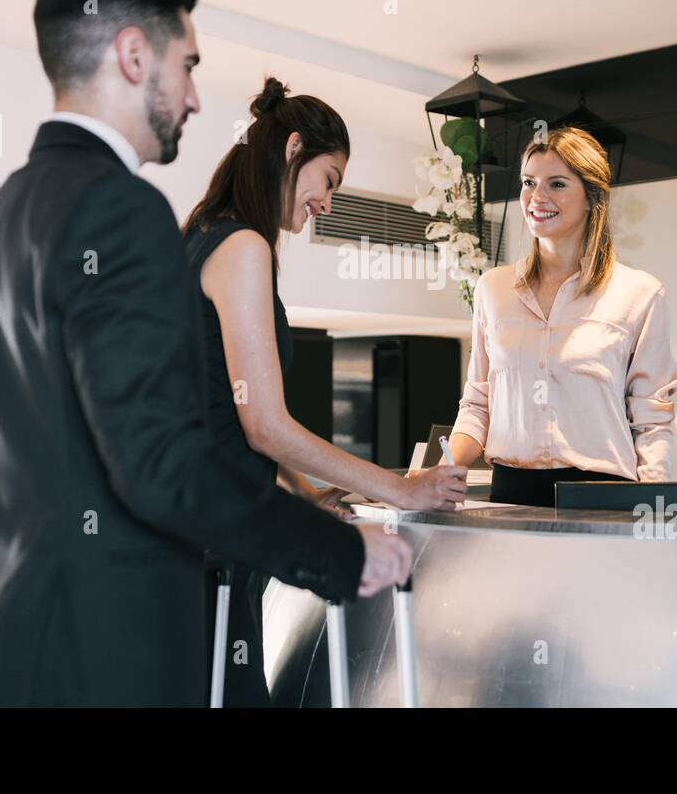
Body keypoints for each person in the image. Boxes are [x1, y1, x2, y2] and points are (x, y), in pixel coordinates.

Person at [0, 0, 410, 707]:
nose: (192, 97)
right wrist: (342, 553)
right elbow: (163, 465)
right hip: (100, 663)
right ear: (132, 55)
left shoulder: (0, 218)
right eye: (186, 66)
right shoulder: (122, 213)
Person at [184, 76, 467, 705]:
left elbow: (224, 416)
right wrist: (397, 487)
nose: (329, 204)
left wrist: (307, 494)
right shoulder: (244, 247)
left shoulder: (205, 232)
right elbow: (263, 424)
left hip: (208, 545)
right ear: (292, 151)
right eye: (330, 180)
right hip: (210, 555)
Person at [442, 127, 677, 506]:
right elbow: (477, 404)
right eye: (528, 182)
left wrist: (651, 507)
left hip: (601, 496)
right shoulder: (493, 289)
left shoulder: (640, 293)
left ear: (592, 197)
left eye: (556, 184)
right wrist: (444, 467)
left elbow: (652, 421)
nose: (537, 197)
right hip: (510, 494)